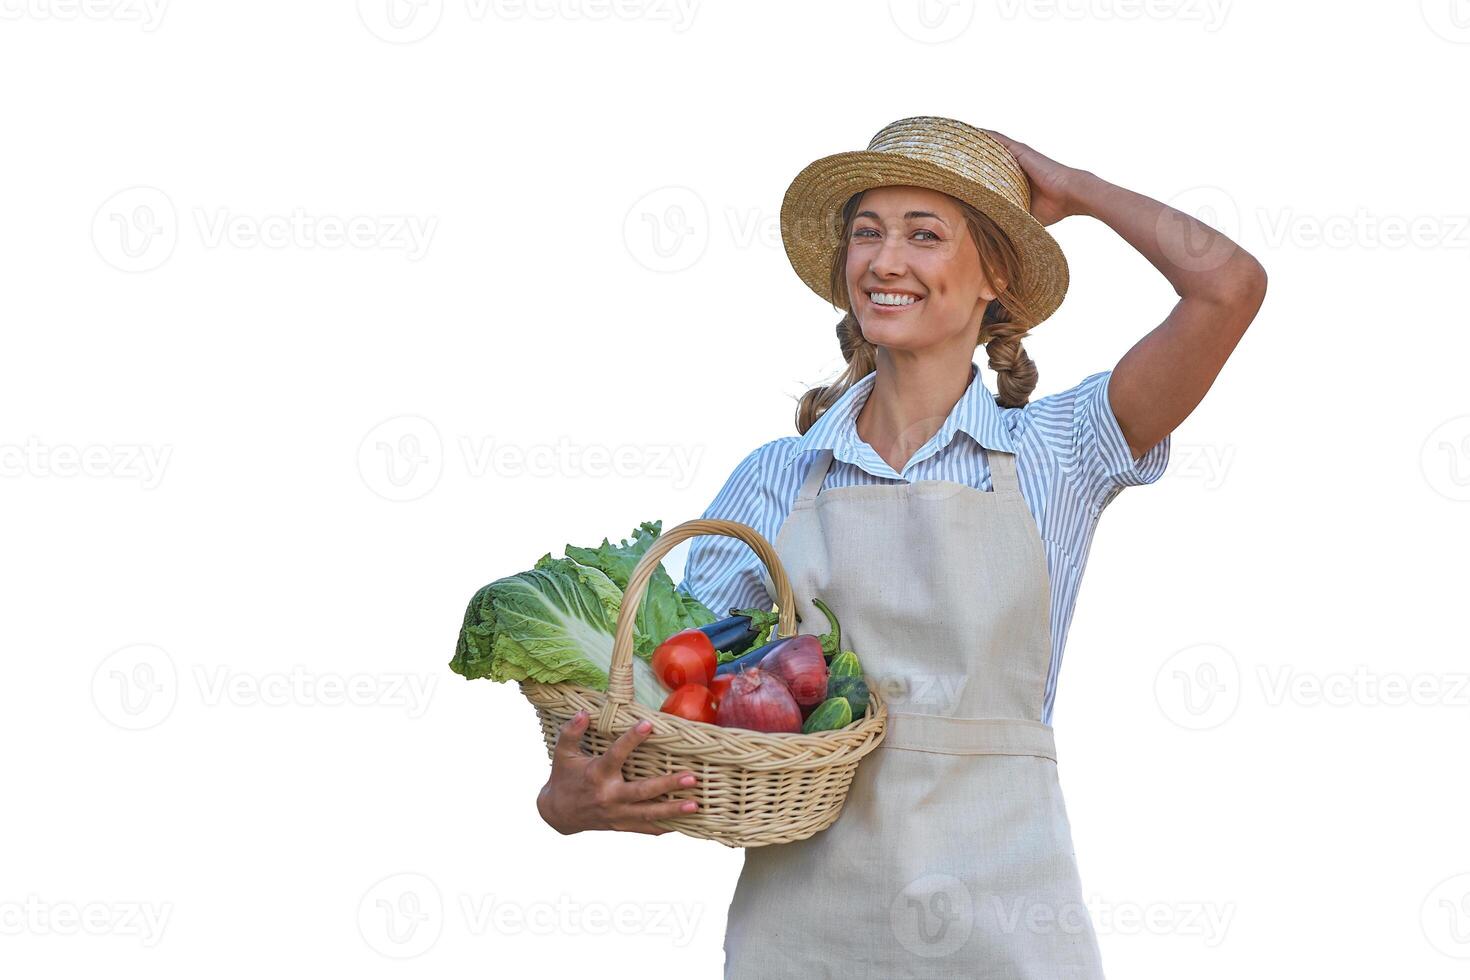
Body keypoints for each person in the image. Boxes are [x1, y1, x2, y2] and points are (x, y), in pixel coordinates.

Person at [537, 116, 1267, 976]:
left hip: (1007, 922)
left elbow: (1228, 285)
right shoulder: (778, 475)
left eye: (925, 234)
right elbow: (683, 702)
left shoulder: (1062, 452)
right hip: (804, 931)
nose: (885, 262)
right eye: (867, 234)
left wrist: (1070, 188)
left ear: (996, 272)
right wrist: (568, 798)